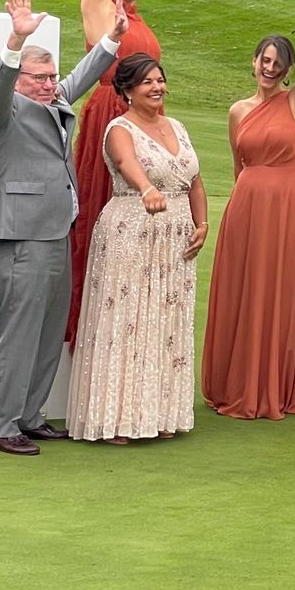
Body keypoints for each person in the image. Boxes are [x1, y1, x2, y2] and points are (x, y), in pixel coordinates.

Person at [0, 0, 122, 456]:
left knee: (47, 330)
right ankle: (2, 426)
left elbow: (82, 76)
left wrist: (114, 39)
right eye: (38, 78)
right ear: (19, 80)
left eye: (51, 76)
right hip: (21, 237)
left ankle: (31, 416)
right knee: (19, 332)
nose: (48, 84)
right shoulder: (3, 110)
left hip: (57, 231)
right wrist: (15, 41)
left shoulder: (54, 101)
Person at [67, 55, 208, 443]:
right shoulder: (119, 129)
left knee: (164, 323)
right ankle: (117, 418)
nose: (157, 87)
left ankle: (161, 414)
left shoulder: (177, 126)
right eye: (147, 82)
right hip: (132, 232)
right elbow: (128, 163)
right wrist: (147, 189)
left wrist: (202, 224)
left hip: (175, 242)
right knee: (129, 322)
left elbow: (194, 179)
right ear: (127, 90)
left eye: (160, 80)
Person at [200, 19, 295, 420]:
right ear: (254, 62)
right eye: (265, 60)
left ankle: (272, 386)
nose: (270, 68)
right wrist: (246, 204)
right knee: (244, 289)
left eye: (278, 63)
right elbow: (239, 165)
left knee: (279, 289)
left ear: (287, 70)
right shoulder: (238, 110)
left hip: (288, 208)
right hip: (246, 207)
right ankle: (234, 384)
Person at [67, 0, 159, 348]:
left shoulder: (139, 20)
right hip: (109, 117)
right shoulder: (100, 9)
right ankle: (93, 329)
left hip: (147, 121)